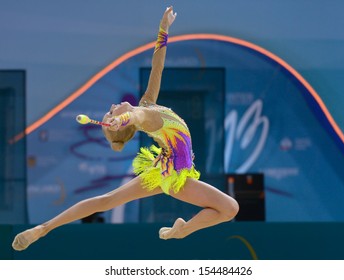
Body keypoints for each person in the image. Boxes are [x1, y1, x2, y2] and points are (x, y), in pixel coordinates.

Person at [12, 6, 239, 251]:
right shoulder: (144, 116)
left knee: (107, 200)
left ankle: (42, 229)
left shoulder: (147, 104)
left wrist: (163, 30)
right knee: (230, 208)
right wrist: (120, 120)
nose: (112, 106)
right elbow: (135, 116)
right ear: (123, 123)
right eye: (111, 112)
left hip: (162, 169)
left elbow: (157, 67)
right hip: (175, 176)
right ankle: (183, 230)